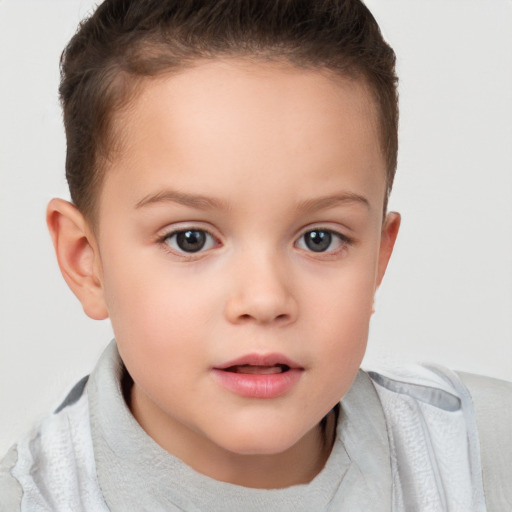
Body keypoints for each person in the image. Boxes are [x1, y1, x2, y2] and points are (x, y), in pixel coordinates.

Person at [1, 0, 510, 510]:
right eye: (190, 239)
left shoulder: (486, 458)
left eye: (319, 238)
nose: (265, 300)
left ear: (378, 257)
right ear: (85, 261)